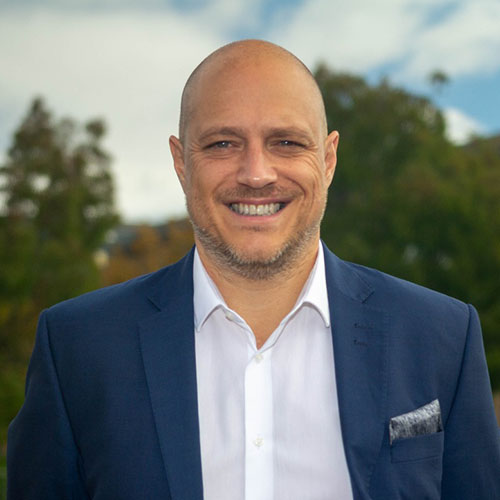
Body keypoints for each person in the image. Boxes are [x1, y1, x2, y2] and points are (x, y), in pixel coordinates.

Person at [7, 39, 500, 500]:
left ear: (328, 159)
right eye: (223, 144)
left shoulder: (441, 336)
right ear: (181, 162)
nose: (257, 173)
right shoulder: (77, 349)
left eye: (286, 142)